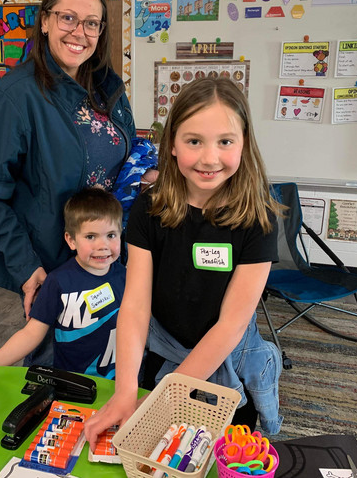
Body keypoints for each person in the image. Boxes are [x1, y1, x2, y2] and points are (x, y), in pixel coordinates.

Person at [85, 77, 284, 444]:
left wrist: (167, 401)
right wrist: (126, 389)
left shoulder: (259, 218)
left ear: (244, 143)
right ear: (173, 144)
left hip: (227, 363)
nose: (210, 158)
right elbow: (136, 303)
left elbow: (230, 326)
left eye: (225, 141)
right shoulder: (150, 207)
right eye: (194, 141)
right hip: (161, 355)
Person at [0, 0, 137, 365]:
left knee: (108, 351)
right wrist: (28, 268)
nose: (80, 32)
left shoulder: (107, 87)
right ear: (44, 21)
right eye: (67, 18)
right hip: (53, 263)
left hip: (106, 251)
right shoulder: (13, 98)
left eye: (91, 22)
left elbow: (124, 151)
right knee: (55, 364)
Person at [0, 188, 125, 379]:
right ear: (71, 240)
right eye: (90, 236)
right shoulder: (58, 282)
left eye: (111, 235)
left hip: (119, 382)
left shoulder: (128, 277)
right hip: (71, 385)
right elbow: (31, 333)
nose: (103, 246)